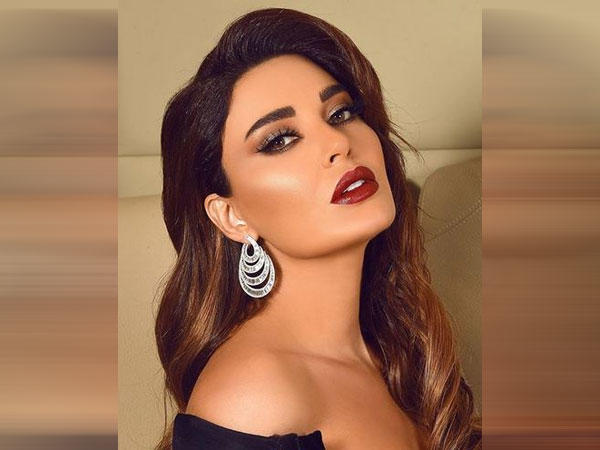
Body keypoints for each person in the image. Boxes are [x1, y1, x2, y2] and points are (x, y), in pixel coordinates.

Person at [155, 7, 481, 449]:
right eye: (279, 140)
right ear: (231, 216)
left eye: (340, 113)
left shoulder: (401, 353)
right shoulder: (253, 393)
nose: (338, 143)